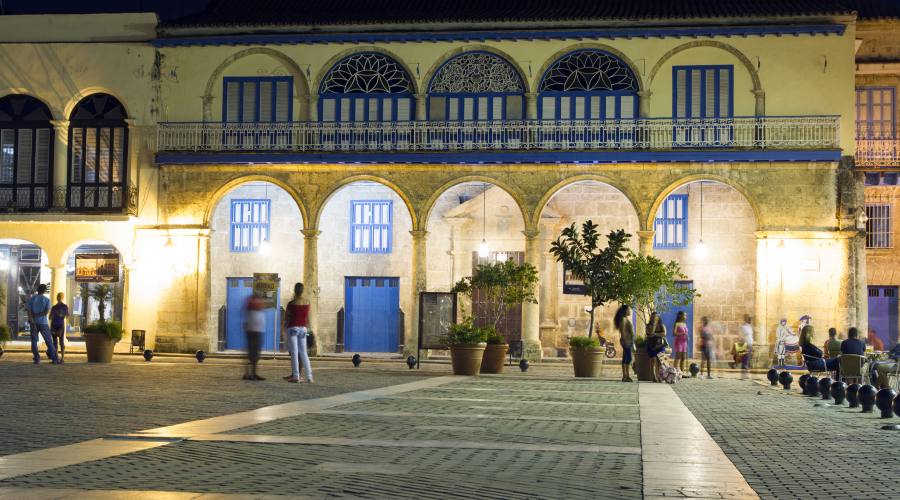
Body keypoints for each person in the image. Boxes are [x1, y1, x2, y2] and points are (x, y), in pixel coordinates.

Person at [283, 282, 314, 384]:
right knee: (304, 353)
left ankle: (296, 376)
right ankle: (310, 376)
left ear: (295, 290)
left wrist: (283, 328)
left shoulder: (291, 304)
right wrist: (309, 328)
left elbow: (287, 318)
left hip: (293, 328)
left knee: (294, 353)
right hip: (303, 329)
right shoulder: (307, 302)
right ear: (302, 291)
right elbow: (308, 318)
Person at [26, 284, 59, 365]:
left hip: (33, 323)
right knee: (48, 341)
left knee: (34, 341)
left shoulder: (32, 299)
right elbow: (46, 312)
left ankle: (37, 359)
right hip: (43, 323)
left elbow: (29, 311)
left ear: (38, 289)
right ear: (44, 291)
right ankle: (54, 359)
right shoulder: (47, 300)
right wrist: (37, 315)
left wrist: (32, 318)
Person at [243, 294, 266, 381]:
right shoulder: (254, 304)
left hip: (256, 331)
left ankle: (251, 373)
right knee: (253, 353)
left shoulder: (253, 306)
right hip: (254, 332)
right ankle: (251, 374)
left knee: (253, 353)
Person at [614, 304, 634, 383]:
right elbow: (623, 332)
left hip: (627, 341)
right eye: (629, 309)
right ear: (625, 311)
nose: (630, 311)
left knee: (625, 358)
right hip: (626, 341)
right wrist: (626, 341)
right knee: (628, 358)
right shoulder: (623, 320)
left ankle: (625, 376)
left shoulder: (625, 319)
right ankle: (626, 376)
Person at [645, 312, 667, 383]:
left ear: (658, 318)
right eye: (652, 317)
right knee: (653, 360)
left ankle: (660, 376)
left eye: (655, 317)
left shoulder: (662, 325)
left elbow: (664, 334)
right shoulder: (648, 326)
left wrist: (655, 334)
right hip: (651, 345)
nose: (653, 318)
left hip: (660, 345)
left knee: (661, 361)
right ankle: (653, 376)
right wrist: (654, 326)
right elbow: (650, 334)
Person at [49, 292, 69, 362]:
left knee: (55, 342)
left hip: (55, 325)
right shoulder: (65, 307)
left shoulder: (54, 307)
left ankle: (56, 358)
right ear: (62, 298)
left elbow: (50, 317)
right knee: (61, 341)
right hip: (60, 325)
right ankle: (62, 358)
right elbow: (67, 316)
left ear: (57, 298)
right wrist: (61, 315)